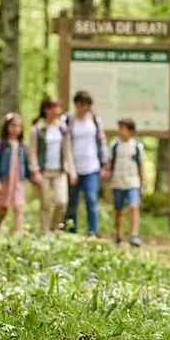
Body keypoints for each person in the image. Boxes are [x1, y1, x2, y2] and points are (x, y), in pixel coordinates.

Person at [63, 90, 109, 236]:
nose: (87, 108)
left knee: (91, 198)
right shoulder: (68, 120)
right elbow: (64, 144)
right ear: (77, 104)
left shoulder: (95, 120)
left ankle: (93, 232)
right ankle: (71, 231)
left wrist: (104, 163)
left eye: (89, 105)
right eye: (84, 105)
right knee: (72, 202)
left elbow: (102, 142)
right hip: (74, 167)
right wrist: (69, 168)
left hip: (92, 166)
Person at [28, 96, 76, 233]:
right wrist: (35, 170)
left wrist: (71, 171)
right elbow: (32, 151)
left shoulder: (62, 128)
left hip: (59, 171)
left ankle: (54, 228)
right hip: (43, 171)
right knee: (45, 203)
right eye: (54, 107)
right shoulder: (37, 129)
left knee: (62, 201)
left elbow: (67, 151)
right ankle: (45, 231)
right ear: (46, 110)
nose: (57, 110)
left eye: (58, 107)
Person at [0, 113, 33, 233]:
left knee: (18, 207)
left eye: (19, 126)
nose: (15, 129)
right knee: (3, 207)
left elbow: (26, 165)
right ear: (7, 126)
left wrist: (31, 177)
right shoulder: (0, 145)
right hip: (5, 180)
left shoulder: (22, 146)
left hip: (18, 180)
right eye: (13, 126)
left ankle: (17, 233)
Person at [109, 118, 145, 247]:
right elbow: (109, 164)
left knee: (134, 207)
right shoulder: (114, 146)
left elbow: (141, 167)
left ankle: (134, 235)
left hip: (133, 182)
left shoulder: (137, 147)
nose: (118, 131)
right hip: (117, 182)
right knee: (118, 210)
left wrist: (142, 185)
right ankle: (118, 234)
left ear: (130, 131)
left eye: (121, 128)